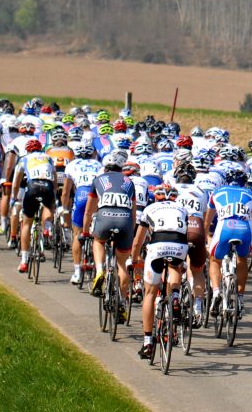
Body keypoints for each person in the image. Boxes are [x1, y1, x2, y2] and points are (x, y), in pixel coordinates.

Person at [131, 183, 189, 360]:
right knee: (175, 267)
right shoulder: (182, 208)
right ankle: (176, 296)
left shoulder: (150, 208)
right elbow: (184, 232)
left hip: (158, 245)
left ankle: (148, 341)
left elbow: (138, 240)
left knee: (150, 293)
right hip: (179, 245)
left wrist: (132, 259)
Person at [85, 150, 136, 306]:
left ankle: (100, 270)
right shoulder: (129, 182)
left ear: (105, 167)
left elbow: (88, 210)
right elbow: (133, 213)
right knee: (122, 264)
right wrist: (131, 233)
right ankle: (121, 301)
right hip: (125, 221)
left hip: (105, 218)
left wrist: (85, 231)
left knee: (98, 241)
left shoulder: (98, 179)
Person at [206, 166, 252, 317]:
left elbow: (208, 221)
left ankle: (215, 293)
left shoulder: (216, 192)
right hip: (245, 229)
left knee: (215, 260)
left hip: (224, 228)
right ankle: (240, 298)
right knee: (242, 259)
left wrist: (207, 233)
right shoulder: (251, 194)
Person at [11, 137, 57, 274]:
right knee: (49, 206)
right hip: (47, 185)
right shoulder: (48, 158)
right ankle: (47, 228)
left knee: (26, 224)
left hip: (32, 186)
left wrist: (14, 197)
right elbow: (54, 179)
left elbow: (16, 182)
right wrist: (54, 196)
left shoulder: (24, 159)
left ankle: (24, 261)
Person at [172, 160, 210, 323]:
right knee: (198, 270)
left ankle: (172, 297)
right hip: (197, 229)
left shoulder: (172, 189)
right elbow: (205, 214)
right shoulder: (201, 191)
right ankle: (198, 305)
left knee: (173, 266)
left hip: (178, 229)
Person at [61, 141, 103, 285]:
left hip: (81, 194)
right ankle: (98, 267)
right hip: (97, 196)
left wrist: (64, 208)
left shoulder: (71, 165)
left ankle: (77, 272)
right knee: (97, 236)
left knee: (77, 234)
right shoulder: (99, 165)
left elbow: (66, 192)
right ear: (92, 153)